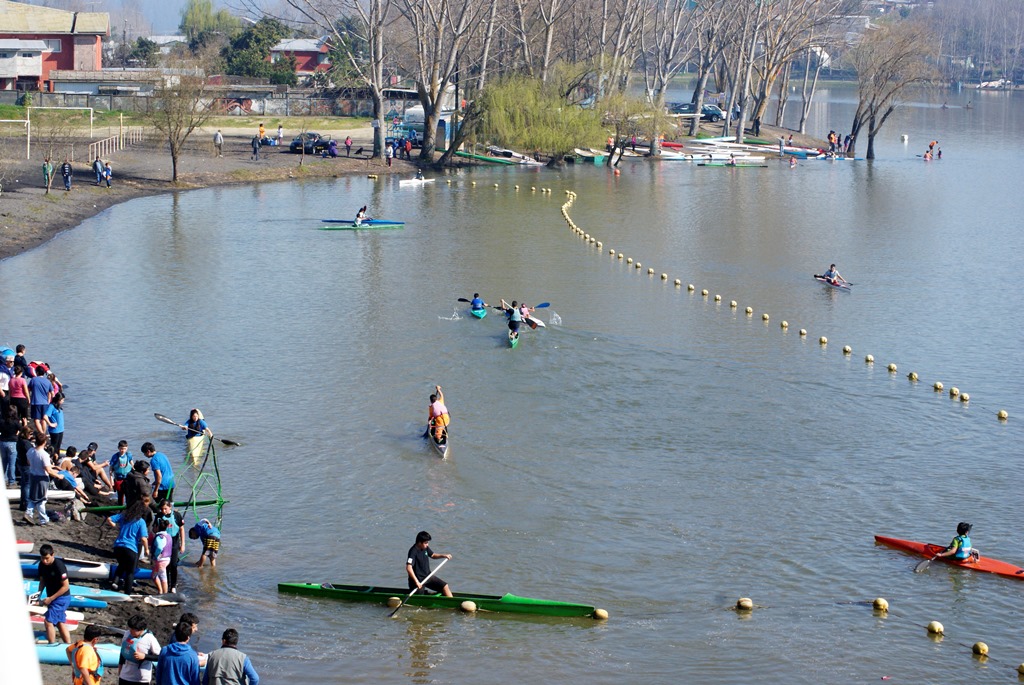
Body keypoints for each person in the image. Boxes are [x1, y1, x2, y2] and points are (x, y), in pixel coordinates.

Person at [106, 499, 150, 593]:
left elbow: (109, 519)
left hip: (118, 546)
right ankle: (127, 592)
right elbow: (143, 538)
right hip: (131, 548)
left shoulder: (124, 516)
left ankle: (115, 582)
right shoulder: (141, 521)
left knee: (122, 564)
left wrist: (115, 526)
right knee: (130, 572)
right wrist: (147, 549)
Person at [35, 543, 73, 644]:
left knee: (48, 621)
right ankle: (68, 645)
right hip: (52, 597)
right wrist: (38, 596)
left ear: (53, 555)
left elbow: (66, 586)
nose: (44, 561)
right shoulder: (41, 565)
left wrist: (51, 599)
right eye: (42, 558)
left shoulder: (59, 566)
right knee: (60, 622)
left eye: (47, 558)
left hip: (62, 598)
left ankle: (51, 645)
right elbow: (42, 581)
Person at [26, 432, 60, 525]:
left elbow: (29, 462)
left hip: (32, 475)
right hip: (42, 478)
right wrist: (58, 476)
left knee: (33, 497)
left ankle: (28, 513)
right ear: (44, 442)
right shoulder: (44, 454)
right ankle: (43, 519)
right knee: (41, 500)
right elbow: (48, 470)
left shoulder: (30, 451)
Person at [406, 531, 453, 597]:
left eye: (427, 542)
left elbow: (433, 555)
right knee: (420, 598)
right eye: (426, 543)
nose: (427, 544)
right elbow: (408, 568)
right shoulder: (413, 551)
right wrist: (417, 582)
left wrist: (444, 556)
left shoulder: (425, 548)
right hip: (418, 581)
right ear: (419, 542)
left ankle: (451, 601)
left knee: (445, 586)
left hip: (428, 576)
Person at [119, 613, 161, 685]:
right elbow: (123, 651)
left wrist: (145, 656)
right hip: (125, 676)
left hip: (141, 679)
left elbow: (160, 656)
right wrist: (120, 667)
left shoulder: (150, 638)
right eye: (130, 628)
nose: (131, 631)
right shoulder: (127, 634)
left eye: (134, 629)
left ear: (142, 629)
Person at [156, 499, 185, 593]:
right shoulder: (159, 516)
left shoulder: (177, 515)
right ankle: (166, 584)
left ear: (170, 507)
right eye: (162, 509)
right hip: (163, 543)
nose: (163, 511)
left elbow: (181, 529)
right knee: (165, 565)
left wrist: (183, 544)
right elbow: (154, 529)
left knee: (173, 564)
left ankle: (173, 586)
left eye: (165, 509)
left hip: (174, 542)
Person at [27, 365, 54, 434]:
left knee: (36, 420)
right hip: (45, 403)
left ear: (37, 372)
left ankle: (41, 433)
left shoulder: (33, 380)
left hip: (36, 402)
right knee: (43, 419)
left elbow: (28, 389)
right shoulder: (48, 381)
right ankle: (44, 433)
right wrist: (50, 401)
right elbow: (52, 393)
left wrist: (28, 399)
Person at [150, 518, 173, 594]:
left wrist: (156, 555)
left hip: (161, 560)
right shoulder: (168, 535)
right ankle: (162, 592)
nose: (153, 527)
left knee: (158, 576)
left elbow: (160, 547)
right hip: (167, 559)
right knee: (159, 575)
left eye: (154, 526)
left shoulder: (160, 537)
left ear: (157, 527)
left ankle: (162, 592)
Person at [107, 440, 134, 505]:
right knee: (120, 494)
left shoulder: (129, 455)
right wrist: (111, 479)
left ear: (127, 448)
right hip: (119, 478)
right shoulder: (115, 457)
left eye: (124, 449)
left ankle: (128, 507)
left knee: (128, 494)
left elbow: (132, 465)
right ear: (118, 448)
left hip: (128, 478)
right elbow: (111, 468)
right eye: (121, 449)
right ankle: (120, 508)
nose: (123, 450)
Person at [1, 406, 19, 487]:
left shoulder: (2, 421)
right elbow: (22, 429)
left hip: (2, 442)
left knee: (3, 462)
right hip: (12, 442)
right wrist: (25, 424)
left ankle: (3, 479)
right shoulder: (15, 422)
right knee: (12, 463)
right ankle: (11, 481)